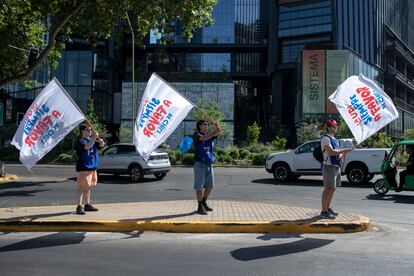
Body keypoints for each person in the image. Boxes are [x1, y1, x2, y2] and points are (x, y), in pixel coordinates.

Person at [320, 119, 353, 219]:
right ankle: (324, 210)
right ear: (328, 127)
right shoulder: (326, 138)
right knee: (328, 188)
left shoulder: (335, 139)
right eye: (333, 126)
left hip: (336, 166)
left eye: (336, 126)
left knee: (333, 188)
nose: (336, 127)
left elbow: (337, 152)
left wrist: (342, 154)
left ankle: (327, 208)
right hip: (328, 166)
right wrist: (344, 150)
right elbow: (331, 152)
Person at [74, 123, 105, 215]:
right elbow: (87, 147)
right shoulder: (79, 140)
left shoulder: (90, 139)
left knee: (88, 187)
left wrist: (101, 141)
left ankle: (87, 204)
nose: (90, 131)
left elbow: (101, 145)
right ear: (82, 131)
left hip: (92, 167)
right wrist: (94, 138)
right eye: (88, 130)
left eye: (90, 130)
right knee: (81, 187)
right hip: (83, 167)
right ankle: (79, 206)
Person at [193, 120, 221, 215]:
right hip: (199, 163)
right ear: (199, 126)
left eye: (207, 124)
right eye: (204, 124)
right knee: (199, 186)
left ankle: (204, 202)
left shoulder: (209, 134)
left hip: (208, 162)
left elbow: (217, 132)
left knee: (210, 186)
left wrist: (217, 127)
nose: (206, 125)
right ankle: (199, 206)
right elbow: (204, 138)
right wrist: (214, 132)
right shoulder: (196, 135)